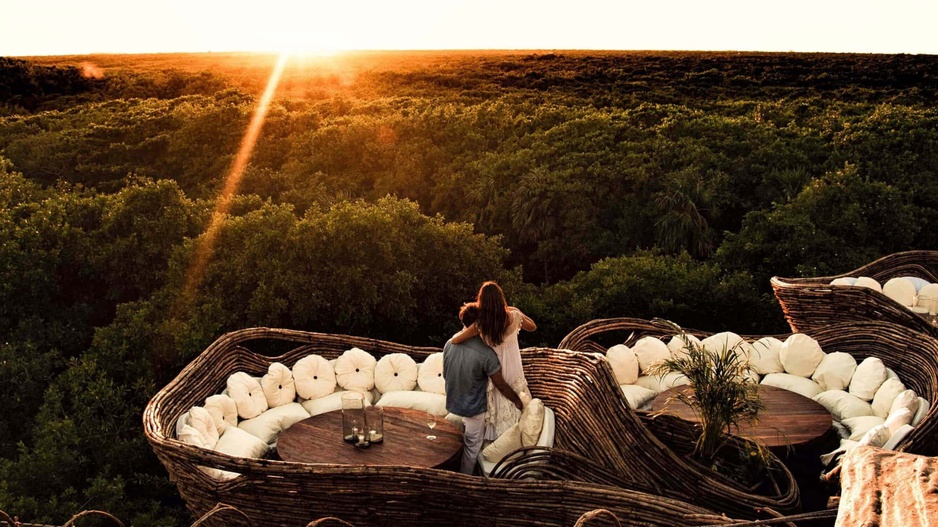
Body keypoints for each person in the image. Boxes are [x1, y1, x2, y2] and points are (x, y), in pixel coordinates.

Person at [443, 303, 523, 474]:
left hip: (453, 402)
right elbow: (500, 385)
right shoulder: (486, 353)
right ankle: (465, 479)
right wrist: (517, 400)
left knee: (455, 441)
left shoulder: (450, 343)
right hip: (473, 409)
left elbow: (445, 373)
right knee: (472, 448)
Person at [450, 281, 536, 439]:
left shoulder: (480, 326)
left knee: (495, 416)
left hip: (494, 374)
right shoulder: (514, 316)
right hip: (514, 373)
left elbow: (455, 341)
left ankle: (494, 445)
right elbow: (532, 327)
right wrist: (517, 311)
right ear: (501, 299)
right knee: (519, 414)